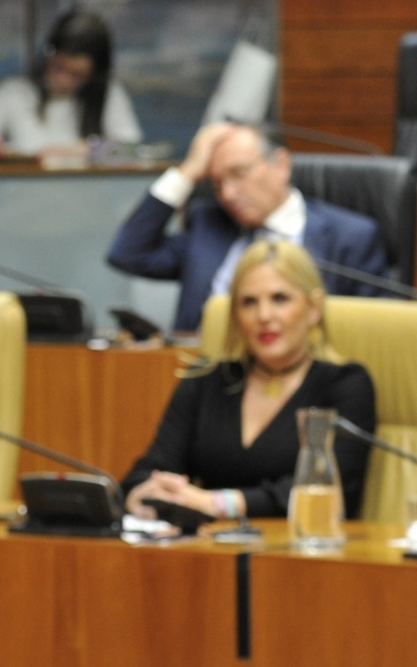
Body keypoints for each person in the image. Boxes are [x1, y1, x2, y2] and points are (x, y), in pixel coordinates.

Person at [122, 240, 376, 522]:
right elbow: (149, 470)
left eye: (280, 299)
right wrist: (145, 494)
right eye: (249, 302)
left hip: (298, 552)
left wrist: (217, 503)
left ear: (313, 308)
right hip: (208, 549)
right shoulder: (206, 379)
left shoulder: (344, 385)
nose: (264, 316)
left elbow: (330, 491)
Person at [106, 123, 391, 333]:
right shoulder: (210, 225)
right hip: (206, 380)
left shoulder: (350, 237)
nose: (228, 194)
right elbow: (128, 254)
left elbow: (375, 331)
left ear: (281, 165)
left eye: (239, 174)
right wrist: (188, 171)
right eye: (217, 184)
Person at [0, 10, 142, 160]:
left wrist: (76, 150)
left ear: (94, 74)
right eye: (58, 67)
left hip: (89, 205)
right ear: (48, 55)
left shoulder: (108, 94)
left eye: (77, 75)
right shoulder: (16, 92)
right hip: (19, 204)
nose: (63, 79)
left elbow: (131, 148)